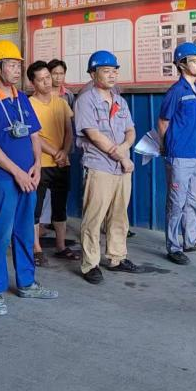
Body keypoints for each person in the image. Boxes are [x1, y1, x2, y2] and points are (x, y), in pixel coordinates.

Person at [0, 40, 58, 317]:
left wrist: (37, 166)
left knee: (24, 230)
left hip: (28, 177)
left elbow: (34, 135)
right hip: (1, 178)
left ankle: (26, 282)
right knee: (0, 234)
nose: (17, 69)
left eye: (18, 65)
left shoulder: (21, 98)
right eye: (11, 65)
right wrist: (17, 172)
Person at [73, 51, 142, 284]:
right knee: (94, 217)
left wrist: (124, 148)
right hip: (99, 166)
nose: (112, 75)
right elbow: (93, 135)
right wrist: (123, 157)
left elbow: (131, 130)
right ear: (93, 74)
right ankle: (90, 264)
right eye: (106, 71)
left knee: (119, 215)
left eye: (114, 71)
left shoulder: (120, 101)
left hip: (122, 168)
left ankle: (117, 257)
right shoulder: (85, 101)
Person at [158, 43, 196, 266]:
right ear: (181, 65)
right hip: (179, 155)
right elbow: (163, 122)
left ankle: (190, 240)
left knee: (192, 200)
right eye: (194, 60)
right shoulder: (176, 91)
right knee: (176, 203)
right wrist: (166, 147)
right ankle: (173, 246)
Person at [26, 61, 77, 265]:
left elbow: (69, 130)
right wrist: (57, 152)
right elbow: (34, 136)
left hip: (62, 163)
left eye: (48, 77)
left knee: (60, 206)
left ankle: (61, 246)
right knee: (35, 208)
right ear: (33, 83)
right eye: (41, 79)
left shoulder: (61, 103)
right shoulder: (29, 104)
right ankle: (36, 248)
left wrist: (64, 152)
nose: (47, 82)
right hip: (40, 163)